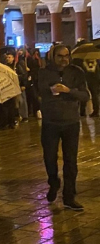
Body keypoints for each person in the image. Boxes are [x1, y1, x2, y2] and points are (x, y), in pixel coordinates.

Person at [39, 44, 89, 211]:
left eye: (66, 55)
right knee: (50, 158)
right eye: (60, 56)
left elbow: (85, 95)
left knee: (70, 161)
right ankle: (53, 182)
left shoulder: (76, 72)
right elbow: (37, 91)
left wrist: (69, 91)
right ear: (53, 57)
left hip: (70, 122)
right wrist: (50, 90)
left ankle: (69, 196)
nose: (64, 59)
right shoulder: (44, 73)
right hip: (50, 123)